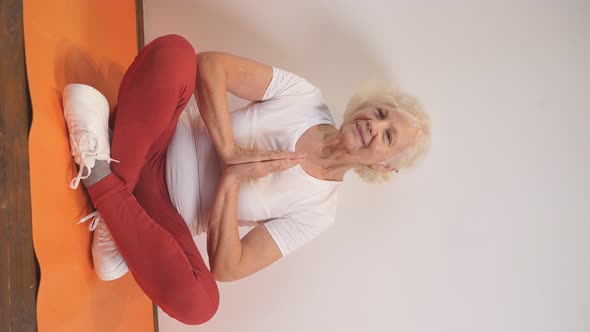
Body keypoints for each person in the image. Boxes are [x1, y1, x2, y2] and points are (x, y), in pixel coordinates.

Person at [62, 34, 431, 325]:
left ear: (384, 167)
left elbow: (228, 266)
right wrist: (229, 151)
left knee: (202, 304)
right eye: (380, 113)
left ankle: (107, 179)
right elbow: (211, 66)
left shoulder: (319, 212)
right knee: (176, 52)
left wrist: (232, 179)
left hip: (163, 218)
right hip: (154, 140)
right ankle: (113, 202)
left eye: (387, 136)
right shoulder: (306, 99)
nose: (374, 125)